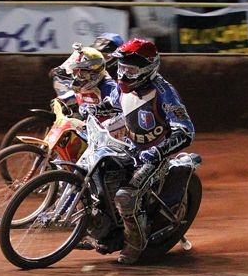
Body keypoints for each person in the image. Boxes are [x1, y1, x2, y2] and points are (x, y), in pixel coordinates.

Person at [79, 38, 195, 264]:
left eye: (130, 71)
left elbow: (186, 130)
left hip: (155, 155)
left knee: (126, 196)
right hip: (130, 146)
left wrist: (159, 152)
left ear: (148, 69)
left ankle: (135, 243)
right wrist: (93, 108)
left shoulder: (164, 92)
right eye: (121, 68)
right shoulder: (125, 87)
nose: (123, 75)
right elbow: (113, 104)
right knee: (99, 172)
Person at [49, 43, 117, 114]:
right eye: (76, 71)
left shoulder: (108, 86)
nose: (78, 75)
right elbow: (78, 94)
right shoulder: (85, 84)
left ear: (94, 73)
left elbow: (116, 108)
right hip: (89, 119)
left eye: (81, 71)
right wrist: (63, 101)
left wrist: (98, 109)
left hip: (105, 120)